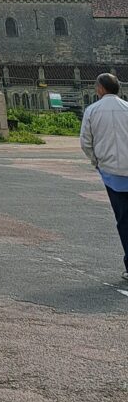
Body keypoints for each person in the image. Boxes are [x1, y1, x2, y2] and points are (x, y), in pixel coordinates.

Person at [80, 72, 128, 281]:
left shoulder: (92, 111)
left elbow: (85, 142)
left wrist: (96, 162)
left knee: (124, 219)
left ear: (100, 89)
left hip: (111, 173)